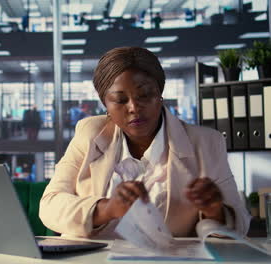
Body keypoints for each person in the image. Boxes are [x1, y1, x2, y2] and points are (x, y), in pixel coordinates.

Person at [39, 47, 250, 239]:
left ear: (160, 94)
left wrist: (216, 211)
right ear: (106, 104)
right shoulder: (90, 133)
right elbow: (49, 205)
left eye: (145, 95)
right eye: (120, 100)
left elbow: (241, 223)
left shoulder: (205, 142)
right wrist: (107, 208)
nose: (134, 107)